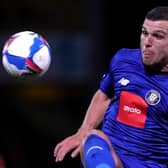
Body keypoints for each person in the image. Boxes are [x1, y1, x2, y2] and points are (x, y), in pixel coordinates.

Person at [54, 6, 168, 168]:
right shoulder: (124, 60)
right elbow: (104, 95)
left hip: (148, 164)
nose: (147, 42)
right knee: (93, 138)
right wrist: (83, 131)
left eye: (157, 36)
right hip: (111, 158)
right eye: (144, 33)